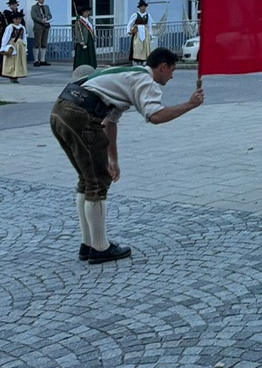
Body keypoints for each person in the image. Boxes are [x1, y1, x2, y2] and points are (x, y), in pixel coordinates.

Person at [49, 47, 204, 264]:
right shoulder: (145, 81)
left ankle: (88, 244)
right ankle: (100, 247)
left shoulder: (127, 74)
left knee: (87, 180)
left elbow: (109, 122)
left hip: (60, 110)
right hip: (80, 114)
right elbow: (155, 116)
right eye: (172, 71)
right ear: (163, 66)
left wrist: (113, 160)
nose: (172, 76)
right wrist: (190, 105)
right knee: (97, 183)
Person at [0, 10, 28, 83]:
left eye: (19, 19)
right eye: (16, 19)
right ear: (13, 19)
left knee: (19, 61)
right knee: (11, 61)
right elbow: (5, 37)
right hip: (12, 46)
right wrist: (3, 46)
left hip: (20, 46)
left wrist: (25, 48)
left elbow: (24, 38)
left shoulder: (22, 28)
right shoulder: (10, 27)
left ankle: (17, 75)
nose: (18, 20)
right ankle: (11, 76)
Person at [126, 0, 152, 65]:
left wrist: (150, 34)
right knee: (137, 45)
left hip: (145, 32)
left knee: (144, 45)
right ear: (140, 7)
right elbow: (130, 23)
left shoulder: (148, 15)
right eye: (142, 6)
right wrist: (129, 31)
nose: (143, 8)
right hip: (138, 32)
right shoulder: (135, 15)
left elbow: (149, 25)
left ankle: (144, 59)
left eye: (144, 7)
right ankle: (137, 58)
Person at [30, 0, 53, 67]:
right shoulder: (34, 7)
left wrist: (47, 18)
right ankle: (36, 60)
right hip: (38, 27)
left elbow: (50, 15)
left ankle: (42, 59)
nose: (42, 0)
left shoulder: (46, 7)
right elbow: (34, 16)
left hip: (46, 26)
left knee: (44, 43)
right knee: (37, 43)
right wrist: (41, 20)